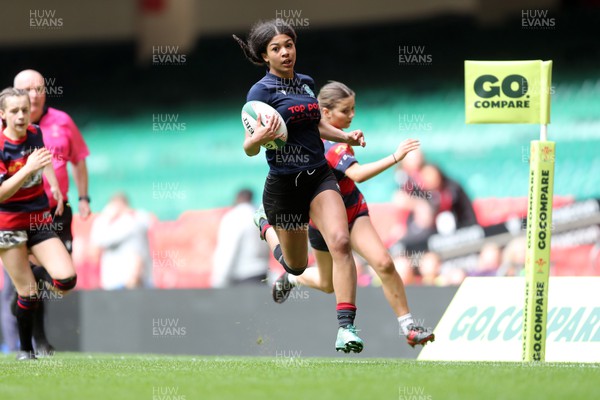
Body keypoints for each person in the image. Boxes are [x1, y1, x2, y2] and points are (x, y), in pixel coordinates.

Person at [266, 81, 434, 348]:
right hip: (321, 222)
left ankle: (409, 327)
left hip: (352, 210)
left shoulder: (339, 139)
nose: (352, 115)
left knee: (385, 263)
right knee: (326, 283)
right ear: (325, 112)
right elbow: (357, 174)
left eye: (353, 108)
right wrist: (396, 156)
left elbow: (350, 177)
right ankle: (293, 277)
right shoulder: (322, 144)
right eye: (346, 110)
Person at [234, 20, 367, 353]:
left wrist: (345, 135)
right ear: (265, 56)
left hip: (318, 177)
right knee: (295, 265)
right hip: (284, 187)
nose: (285, 52)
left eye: (289, 45)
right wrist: (257, 140)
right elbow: (249, 147)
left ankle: (346, 328)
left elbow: (318, 124)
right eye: (276, 48)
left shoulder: (306, 83)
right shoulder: (259, 93)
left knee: (340, 241)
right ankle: (265, 224)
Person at [1, 69, 91, 355]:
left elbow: (45, 160)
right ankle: (26, 349)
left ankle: (31, 280)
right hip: (9, 226)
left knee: (65, 280)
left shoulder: (38, 131)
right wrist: (27, 169)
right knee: (26, 291)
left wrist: (55, 188)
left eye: (24, 110)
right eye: (15, 110)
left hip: (42, 219)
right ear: (3, 114)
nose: (21, 115)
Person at [90, 193, 153, 290]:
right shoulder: (106, 223)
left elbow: (100, 239)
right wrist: (106, 217)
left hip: (132, 282)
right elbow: (97, 241)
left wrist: (106, 216)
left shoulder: (132, 220)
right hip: (114, 283)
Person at [211, 189, 270, 288]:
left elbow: (227, 250)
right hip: (262, 275)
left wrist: (219, 280)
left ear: (237, 198)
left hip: (242, 278)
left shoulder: (234, 216)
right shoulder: (261, 217)